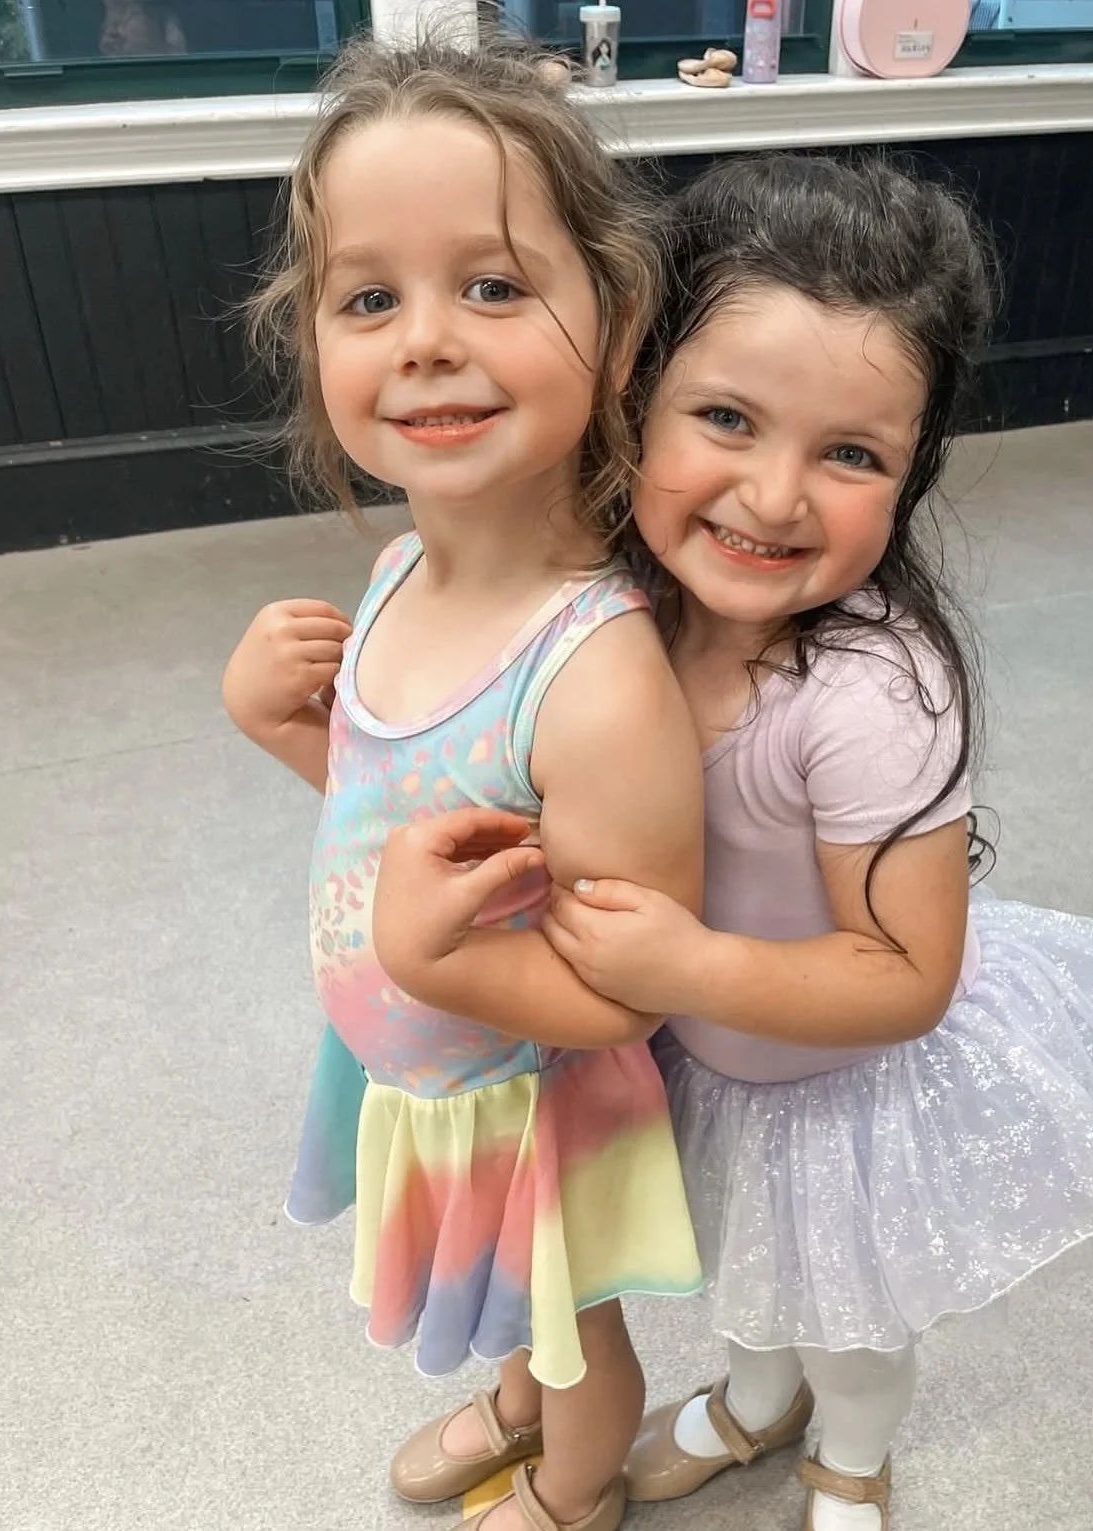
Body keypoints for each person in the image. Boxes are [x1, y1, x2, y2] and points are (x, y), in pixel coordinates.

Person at [541, 154, 1093, 1531]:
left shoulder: (874, 695)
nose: (773, 498)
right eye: (724, 416)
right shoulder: (619, 608)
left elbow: (905, 976)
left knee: (850, 1315)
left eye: (851, 453)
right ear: (635, 402)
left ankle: (850, 1459)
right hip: (709, 1041)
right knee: (748, 1268)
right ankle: (756, 1403)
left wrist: (688, 959)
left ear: (913, 471)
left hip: (841, 1075)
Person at [221, 38, 704, 1531]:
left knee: (577, 1327)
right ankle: (512, 1393)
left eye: (493, 286)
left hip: (529, 1096)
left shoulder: (598, 676)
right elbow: (398, 814)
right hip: (418, 1063)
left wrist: (435, 957)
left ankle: (574, 1484)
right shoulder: (388, 577)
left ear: (615, 327)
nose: (425, 339)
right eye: (371, 298)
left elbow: (627, 992)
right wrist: (279, 728)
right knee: (509, 1309)